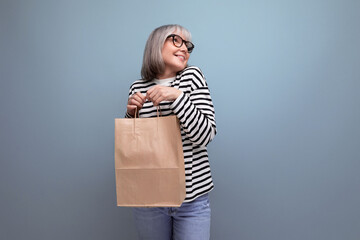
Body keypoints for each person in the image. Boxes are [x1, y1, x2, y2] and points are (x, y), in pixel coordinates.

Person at [125, 24, 217, 240]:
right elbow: (133, 148)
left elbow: (205, 135)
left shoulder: (192, 77)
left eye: (187, 44)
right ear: (156, 45)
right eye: (177, 40)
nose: (184, 47)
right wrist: (132, 115)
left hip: (192, 201)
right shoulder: (137, 87)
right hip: (148, 200)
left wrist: (177, 97)